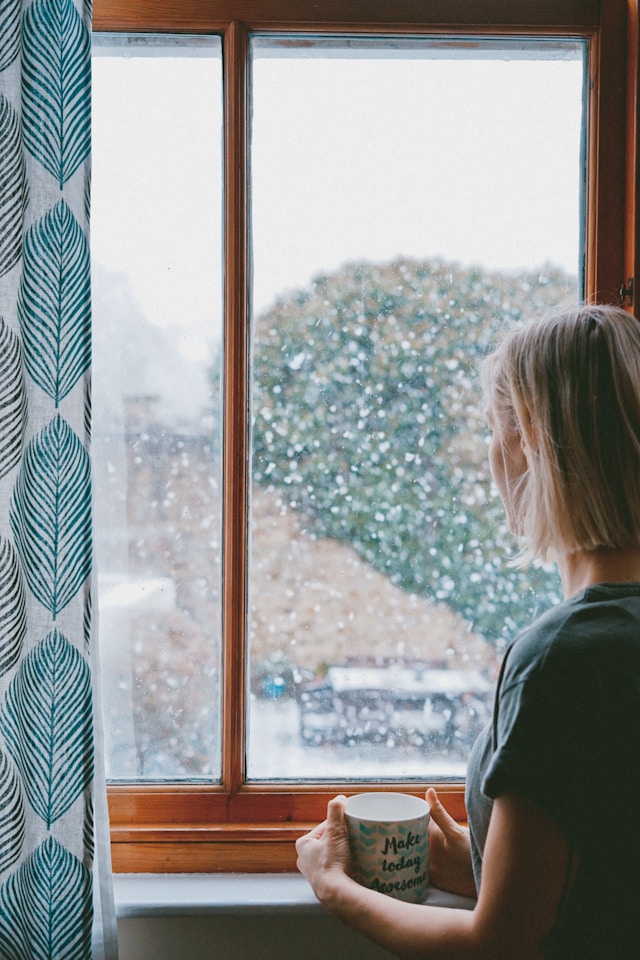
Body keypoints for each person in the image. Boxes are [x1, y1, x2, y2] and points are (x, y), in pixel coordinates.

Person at [296, 304, 640, 959]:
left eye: (492, 428)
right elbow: (607, 878)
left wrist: (333, 886)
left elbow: (500, 944)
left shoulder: (561, 658)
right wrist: (480, 857)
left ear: (530, 439)